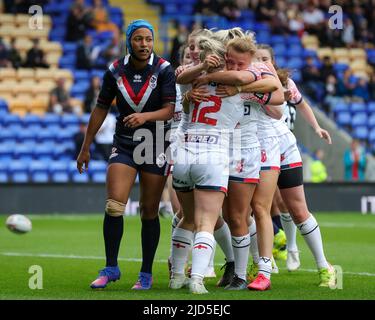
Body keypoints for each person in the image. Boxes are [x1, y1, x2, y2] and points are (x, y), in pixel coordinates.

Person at [77, 19, 176, 290]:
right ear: (128, 41)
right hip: (124, 143)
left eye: (148, 39)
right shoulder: (115, 70)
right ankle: (111, 267)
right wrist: (86, 146)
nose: (144, 44)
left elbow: (170, 110)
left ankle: (145, 273)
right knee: (114, 205)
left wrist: (144, 116)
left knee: (148, 211)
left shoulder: (165, 70)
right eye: (138, 39)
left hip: (155, 143)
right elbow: (100, 108)